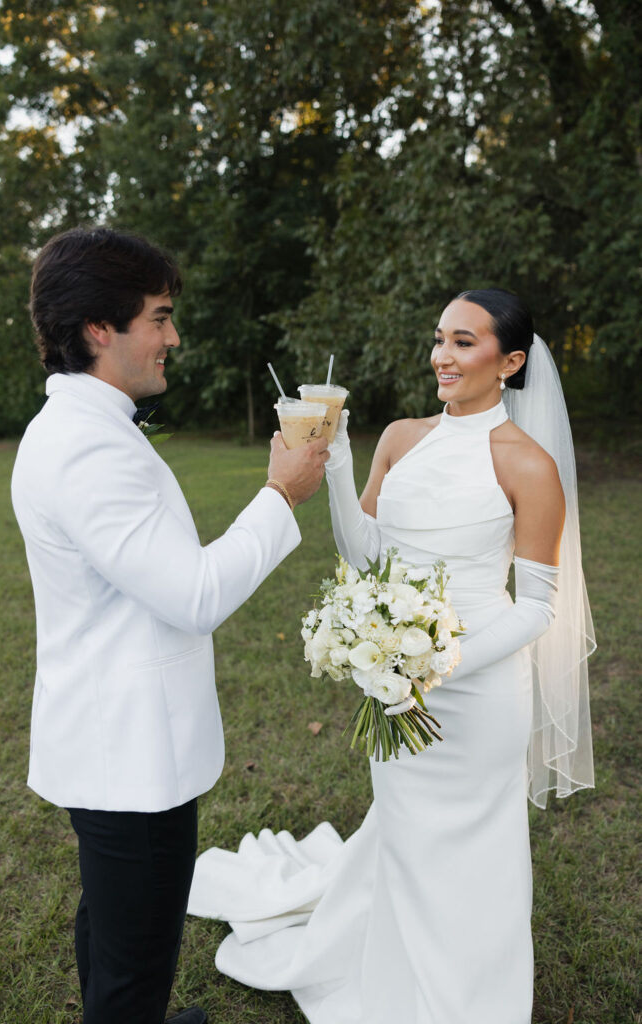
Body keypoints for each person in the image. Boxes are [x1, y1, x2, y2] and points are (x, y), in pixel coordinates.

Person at [187, 288, 595, 1023]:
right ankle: (393, 979)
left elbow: (537, 606)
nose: (441, 355)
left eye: (463, 342)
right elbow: (365, 551)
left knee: (476, 857)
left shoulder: (528, 465)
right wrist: (341, 468)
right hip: (395, 678)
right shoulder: (402, 438)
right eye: (438, 338)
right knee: (405, 837)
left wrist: (436, 664)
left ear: (508, 361)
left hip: (476, 689)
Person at [10, 226, 329, 1024]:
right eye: (157, 316)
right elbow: (193, 595)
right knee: (134, 957)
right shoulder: (88, 447)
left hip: (112, 736)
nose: (172, 336)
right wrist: (280, 494)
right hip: (130, 751)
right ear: (98, 329)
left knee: (115, 927)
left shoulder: (87, 427)